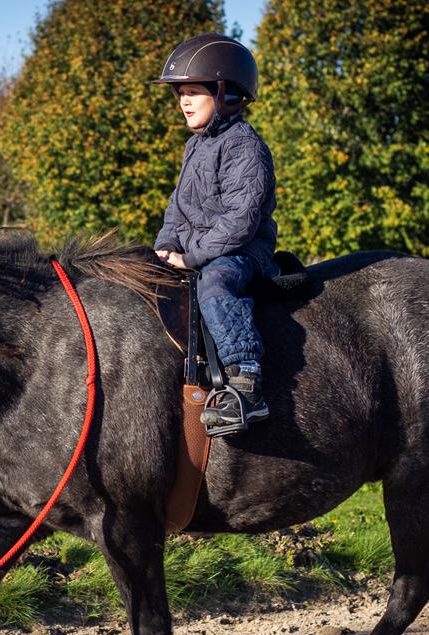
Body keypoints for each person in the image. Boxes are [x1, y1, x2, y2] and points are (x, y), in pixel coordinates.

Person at [152, 33, 278, 435]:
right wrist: (165, 247)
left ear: (225, 95)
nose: (183, 101)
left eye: (193, 92)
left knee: (216, 285)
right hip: (196, 250)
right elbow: (178, 207)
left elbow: (240, 221)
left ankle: (245, 381)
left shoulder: (245, 147)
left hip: (242, 252)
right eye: (181, 94)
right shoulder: (195, 146)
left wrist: (191, 258)